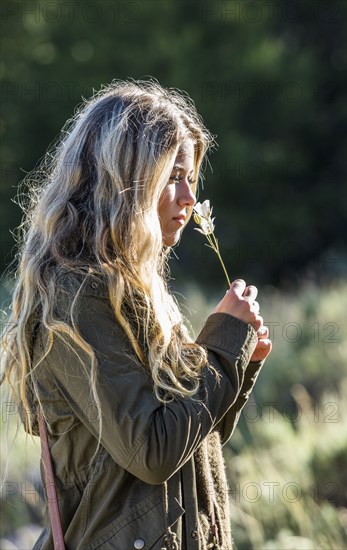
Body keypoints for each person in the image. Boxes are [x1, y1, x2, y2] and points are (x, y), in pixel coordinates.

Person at [1, 79, 272, 549]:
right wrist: (222, 346)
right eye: (173, 176)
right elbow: (152, 451)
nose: (189, 198)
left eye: (191, 179)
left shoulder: (139, 290)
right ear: (125, 179)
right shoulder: (75, 296)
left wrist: (239, 364)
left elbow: (193, 443)